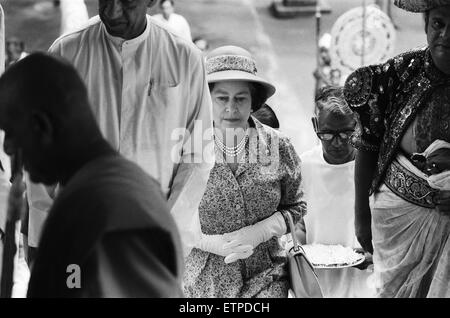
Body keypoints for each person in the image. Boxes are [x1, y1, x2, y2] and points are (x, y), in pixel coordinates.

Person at [25, 0, 214, 261]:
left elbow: (198, 155)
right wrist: (40, 234)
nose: (112, 12)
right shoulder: (66, 52)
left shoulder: (185, 58)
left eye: (126, 2)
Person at [0, 53, 184, 297]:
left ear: (41, 125)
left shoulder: (110, 206)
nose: (8, 148)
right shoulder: (98, 194)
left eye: (11, 132)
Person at [344, 0, 450, 297]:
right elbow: (368, 144)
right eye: (438, 24)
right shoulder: (398, 74)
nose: (446, 36)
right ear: (426, 24)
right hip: (395, 225)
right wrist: (361, 217)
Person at [183, 46, 306, 298]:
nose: (231, 107)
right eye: (221, 98)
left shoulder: (279, 146)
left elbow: (297, 207)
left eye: (240, 98)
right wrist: (206, 241)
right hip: (203, 279)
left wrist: (262, 231)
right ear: (207, 101)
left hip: (266, 275)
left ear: (253, 102)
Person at [296, 86, 375, 298]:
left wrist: (373, 254)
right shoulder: (303, 167)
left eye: (346, 133)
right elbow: (300, 224)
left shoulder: (375, 168)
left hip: (365, 285)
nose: (338, 143)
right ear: (315, 126)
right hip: (317, 286)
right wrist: (296, 249)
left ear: (358, 125)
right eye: (328, 134)